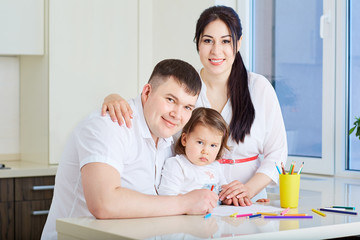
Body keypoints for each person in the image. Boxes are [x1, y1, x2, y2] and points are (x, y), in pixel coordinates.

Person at [101, 5, 288, 207]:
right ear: (197, 44)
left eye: (226, 41)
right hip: (190, 201)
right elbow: (150, 113)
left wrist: (249, 189)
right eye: (208, 41)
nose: (216, 50)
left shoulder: (259, 88)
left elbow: (277, 154)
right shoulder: (187, 91)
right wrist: (112, 98)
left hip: (247, 202)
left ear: (238, 43)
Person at [41, 59, 219, 240]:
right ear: (147, 92)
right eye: (170, 100)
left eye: (187, 107)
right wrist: (185, 203)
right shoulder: (108, 125)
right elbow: (104, 203)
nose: (178, 115)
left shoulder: (167, 137)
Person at [158, 107, 229, 196]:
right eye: (200, 142)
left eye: (213, 145)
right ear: (184, 139)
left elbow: (224, 191)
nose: (205, 151)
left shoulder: (216, 166)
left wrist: (228, 196)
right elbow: (167, 195)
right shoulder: (177, 165)